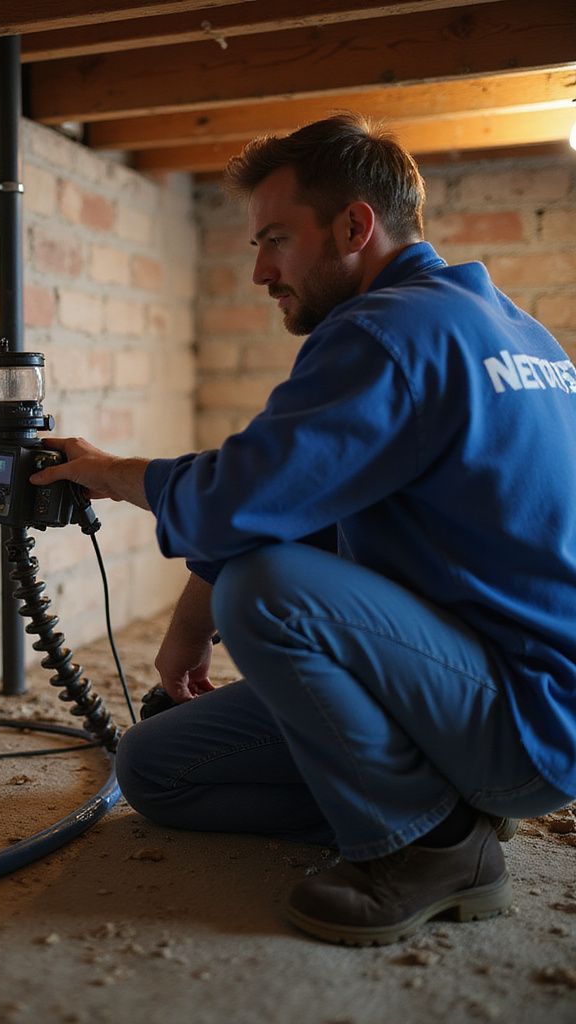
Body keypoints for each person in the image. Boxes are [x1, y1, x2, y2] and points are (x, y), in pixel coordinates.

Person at [30, 113, 576, 946]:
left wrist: (104, 470)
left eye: (276, 239)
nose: (259, 270)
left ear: (355, 226)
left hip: (523, 717)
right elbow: (296, 500)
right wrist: (186, 630)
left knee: (269, 593)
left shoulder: (385, 334)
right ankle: (445, 806)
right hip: (501, 693)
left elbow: (237, 499)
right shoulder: (505, 328)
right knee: (157, 770)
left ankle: (426, 845)